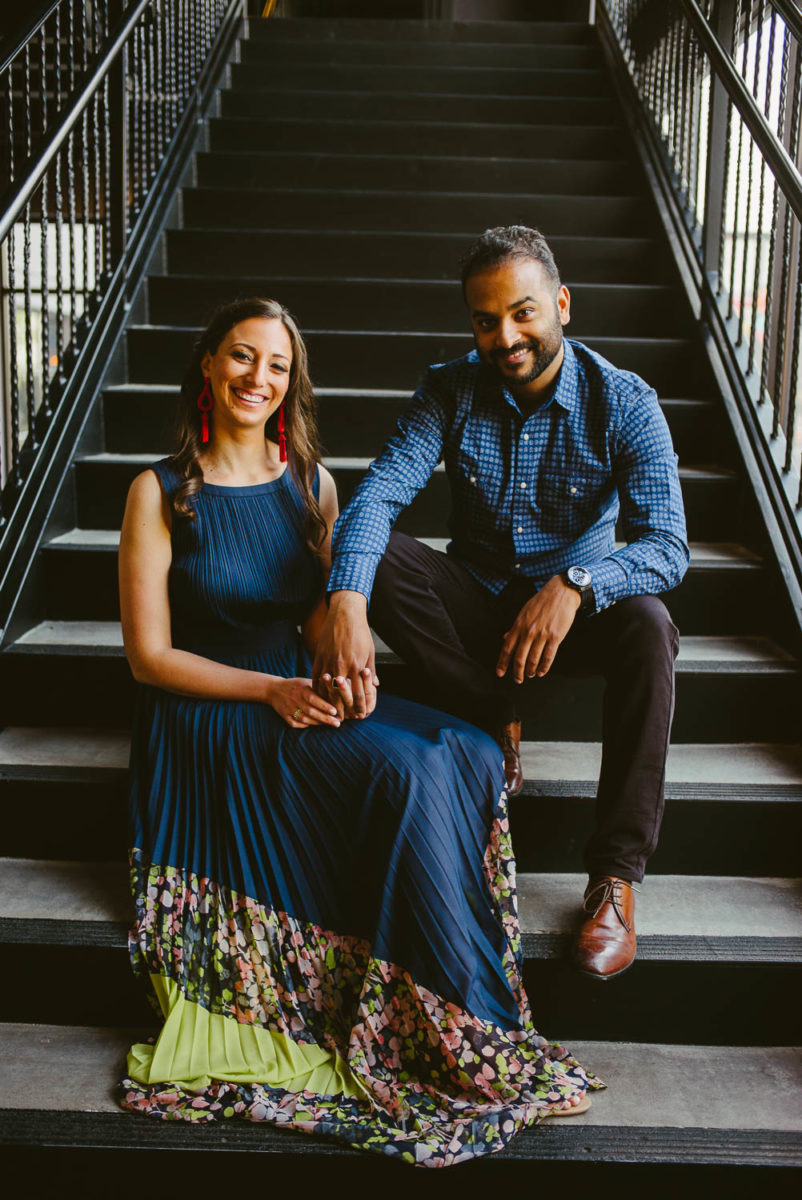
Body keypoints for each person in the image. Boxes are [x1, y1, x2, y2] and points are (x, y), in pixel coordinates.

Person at [116, 296, 601, 1167]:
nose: (257, 378)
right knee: (407, 772)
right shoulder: (157, 492)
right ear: (207, 365)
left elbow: (313, 621)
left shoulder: (312, 481)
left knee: (468, 749)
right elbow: (149, 658)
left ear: (291, 382)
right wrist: (272, 691)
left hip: (291, 686)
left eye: (276, 365)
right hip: (208, 714)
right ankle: (429, 1022)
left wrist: (343, 672)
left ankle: (460, 1005)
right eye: (240, 357)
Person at [313, 226, 689, 981]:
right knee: (365, 552)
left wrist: (579, 585)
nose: (506, 337)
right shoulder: (449, 387)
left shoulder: (625, 403)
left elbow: (668, 547)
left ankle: (615, 879)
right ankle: (495, 709)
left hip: (570, 618)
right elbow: (381, 492)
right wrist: (345, 598)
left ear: (562, 304)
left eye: (523, 313)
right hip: (477, 611)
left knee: (651, 625)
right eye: (486, 321)